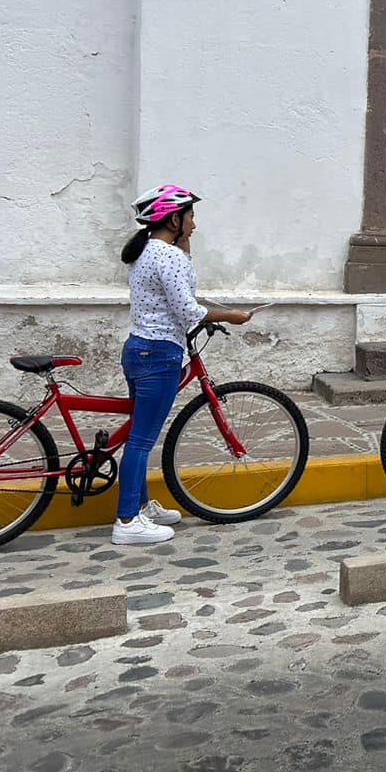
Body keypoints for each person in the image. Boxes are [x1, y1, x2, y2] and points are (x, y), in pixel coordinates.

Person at [115, 185, 252, 546]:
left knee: (138, 434)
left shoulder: (144, 251)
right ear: (173, 219)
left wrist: (184, 243)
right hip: (160, 355)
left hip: (138, 349)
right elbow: (189, 309)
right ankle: (127, 520)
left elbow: (178, 288)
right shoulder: (168, 256)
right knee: (141, 440)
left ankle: (141, 506)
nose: (195, 223)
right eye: (190, 216)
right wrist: (232, 316)